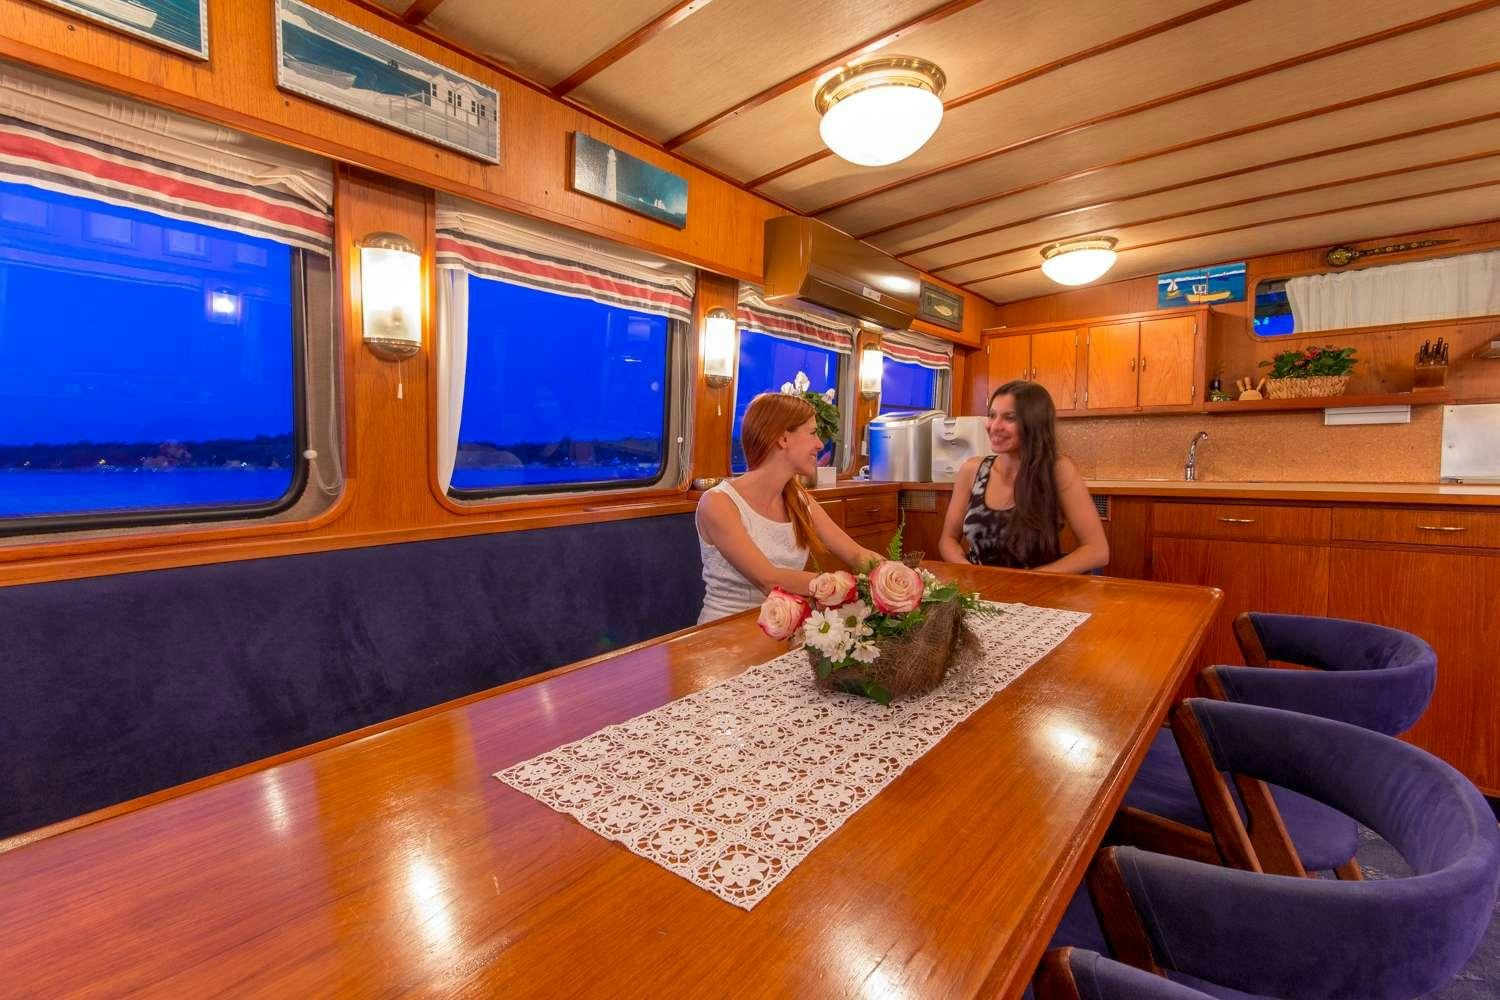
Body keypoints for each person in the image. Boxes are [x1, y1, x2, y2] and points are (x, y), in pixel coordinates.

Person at [696, 392, 885, 623]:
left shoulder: (800, 500)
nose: (820, 444)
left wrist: (894, 576)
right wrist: (841, 586)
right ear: (783, 439)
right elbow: (768, 579)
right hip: (727, 630)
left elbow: (856, 554)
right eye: (812, 433)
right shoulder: (717, 503)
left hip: (786, 625)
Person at [937, 380, 1108, 572]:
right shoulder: (972, 470)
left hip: (1036, 587)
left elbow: (1097, 551)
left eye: (1009, 418)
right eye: (992, 415)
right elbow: (948, 540)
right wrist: (970, 571)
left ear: (1034, 423)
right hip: (978, 587)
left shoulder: (1057, 470)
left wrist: (1031, 580)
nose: (994, 426)